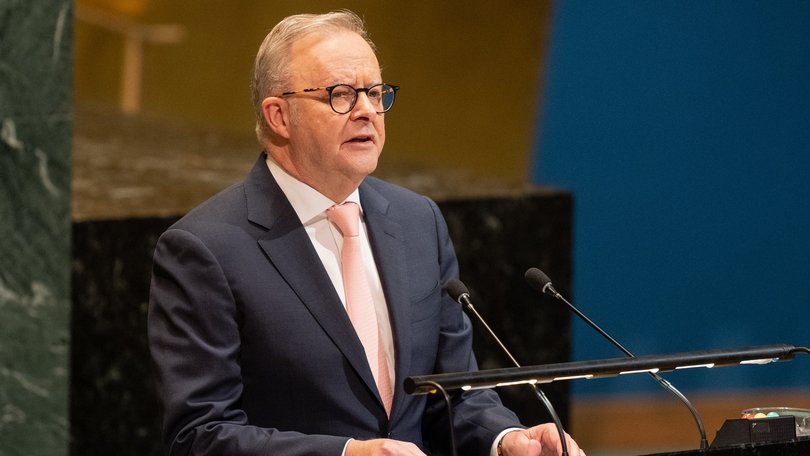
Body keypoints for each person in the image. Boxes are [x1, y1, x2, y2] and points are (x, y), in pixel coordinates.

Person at [147, 9, 584, 456]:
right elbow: (198, 436)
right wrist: (349, 454)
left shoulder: (418, 222)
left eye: (375, 93)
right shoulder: (207, 248)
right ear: (279, 116)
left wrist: (507, 439)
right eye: (340, 95)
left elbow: (454, 393)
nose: (366, 112)